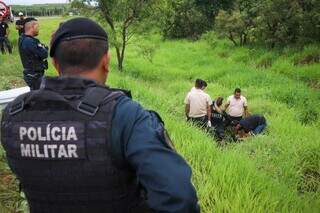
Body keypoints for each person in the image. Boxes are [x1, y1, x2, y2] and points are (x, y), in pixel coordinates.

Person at [1, 18, 200, 213]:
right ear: (106, 61)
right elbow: (179, 198)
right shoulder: (125, 114)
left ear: (54, 63)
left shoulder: (14, 113)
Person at [18, 17, 48, 90]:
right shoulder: (29, 41)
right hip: (34, 76)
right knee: (37, 97)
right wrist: (43, 47)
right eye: (37, 27)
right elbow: (44, 54)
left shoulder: (23, 38)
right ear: (32, 27)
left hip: (32, 74)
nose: (38, 29)